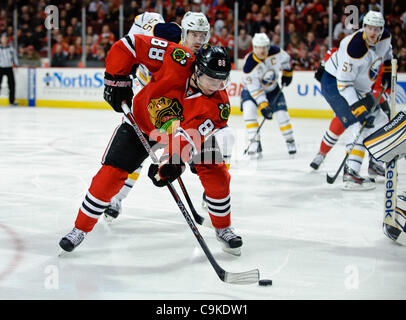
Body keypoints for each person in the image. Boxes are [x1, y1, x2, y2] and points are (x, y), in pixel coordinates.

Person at [58, 36, 243, 256]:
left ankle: (223, 228)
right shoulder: (177, 58)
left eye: (221, 80)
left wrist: (172, 162)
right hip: (142, 124)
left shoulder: (219, 106)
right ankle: (79, 228)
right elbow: (128, 46)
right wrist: (115, 79)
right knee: (109, 176)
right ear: (196, 70)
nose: (216, 86)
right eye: (211, 79)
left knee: (217, 174)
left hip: (183, 134)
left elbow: (188, 137)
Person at [103, 11, 223, 222]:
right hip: (144, 93)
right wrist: (125, 71)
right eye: (193, 34)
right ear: (184, 32)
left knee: (200, 149)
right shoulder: (165, 33)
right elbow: (140, 23)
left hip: (170, 104)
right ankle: (116, 198)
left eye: (203, 35)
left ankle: (213, 199)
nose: (198, 39)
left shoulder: (203, 55)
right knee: (138, 149)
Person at [320, 11, 392, 190]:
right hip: (335, 84)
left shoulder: (385, 37)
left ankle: (375, 163)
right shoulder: (354, 47)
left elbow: (387, 53)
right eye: (369, 28)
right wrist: (358, 108)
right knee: (361, 123)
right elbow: (344, 83)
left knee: (382, 119)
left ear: (382, 29)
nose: (372, 32)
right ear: (363, 27)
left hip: (359, 86)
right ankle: (351, 172)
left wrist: (388, 71)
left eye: (376, 29)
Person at [310, 47, 390, 179]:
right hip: (345, 97)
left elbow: (378, 88)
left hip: (362, 97)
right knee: (336, 129)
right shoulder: (345, 50)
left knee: (374, 124)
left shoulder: (377, 60)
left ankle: (371, 163)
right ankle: (322, 154)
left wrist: (375, 99)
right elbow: (325, 72)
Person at [240, 32, 295, 158]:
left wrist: (287, 73)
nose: (262, 50)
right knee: (249, 113)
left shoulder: (276, 51)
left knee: (282, 116)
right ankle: (254, 142)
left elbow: (286, 59)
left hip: (273, 89)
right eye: (259, 47)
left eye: (264, 47)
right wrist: (264, 105)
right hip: (250, 91)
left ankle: (290, 140)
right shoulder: (249, 65)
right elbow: (255, 90)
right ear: (254, 47)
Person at [0, 34, 18, 106]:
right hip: (0, 68)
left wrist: (16, 65)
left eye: (5, 38)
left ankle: (12, 100)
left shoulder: (11, 48)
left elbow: (14, 57)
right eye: (3, 38)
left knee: (12, 84)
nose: (4, 40)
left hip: (9, 68)